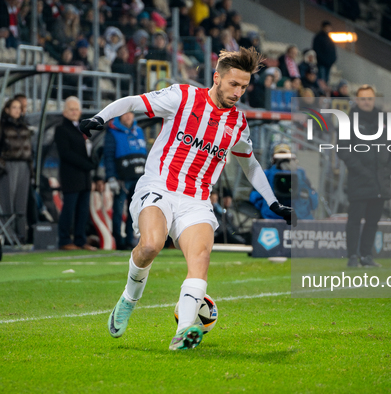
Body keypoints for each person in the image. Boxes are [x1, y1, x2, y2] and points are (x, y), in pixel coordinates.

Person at [79, 47, 296, 351]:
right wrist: (100, 118)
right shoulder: (183, 97)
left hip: (197, 200)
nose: (238, 92)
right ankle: (129, 299)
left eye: (244, 87)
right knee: (151, 245)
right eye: (233, 84)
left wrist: (273, 203)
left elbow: (251, 165)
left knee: (200, 260)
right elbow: (132, 102)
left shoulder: (237, 123)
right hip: (159, 187)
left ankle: (183, 332)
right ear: (216, 77)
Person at [337, 85, 391, 268]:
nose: (366, 102)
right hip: (359, 180)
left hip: (381, 181)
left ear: (374, 100)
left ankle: (366, 256)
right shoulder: (348, 121)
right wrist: (360, 170)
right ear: (357, 100)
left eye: (369, 99)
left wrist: (390, 167)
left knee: (373, 221)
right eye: (363, 99)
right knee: (354, 220)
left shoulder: (383, 119)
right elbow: (343, 149)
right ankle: (352, 257)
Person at [55, 97, 101, 251]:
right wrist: (87, 164)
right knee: (69, 209)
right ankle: (64, 239)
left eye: (76, 109)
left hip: (84, 177)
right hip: (71, 176)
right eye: (71, 109)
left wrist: (93, 163)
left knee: (82, 211)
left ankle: (81, 240)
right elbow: (66, 153)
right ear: (65, 112)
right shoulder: (61, 129)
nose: (74, 112)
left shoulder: (81, 128)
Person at [104, 112, 147, 250]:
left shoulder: (139, 131)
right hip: (121, 179)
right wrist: (111, 177)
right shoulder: (112, 132)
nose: (128, 116)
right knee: (118, 210)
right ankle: (118, 241)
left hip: (139, 178)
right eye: (125, 114)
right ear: (120, 116)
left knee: (134, 211)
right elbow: (108, 156)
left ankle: (130, 239)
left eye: (130, 113)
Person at [250, 143, 318, 221]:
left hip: (297, 217)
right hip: (273, 217)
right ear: (273, 158)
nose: (282, 159)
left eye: (285, 156)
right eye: (279, 156)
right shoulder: (267, 174)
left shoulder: (300, 173)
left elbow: (313, 201)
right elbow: (254, 197)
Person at [0, 98, 32, 243]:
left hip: (24, 165)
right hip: (9, 165)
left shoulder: (24, 126)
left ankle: (21, 236)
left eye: (19, 107)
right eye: (14, 107)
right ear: (7, 109)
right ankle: (8, 236)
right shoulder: (2, 126)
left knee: (21, 202)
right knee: (8, 201)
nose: (17, 110)